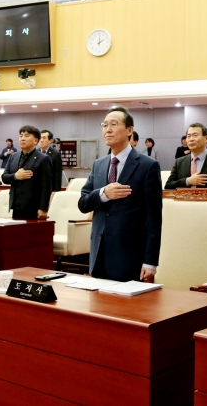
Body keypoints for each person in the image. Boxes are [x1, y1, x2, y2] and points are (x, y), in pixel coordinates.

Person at [78, 106, 162, 282]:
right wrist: (103, 193)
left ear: (130, 130)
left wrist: (150, 262)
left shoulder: (148, 166)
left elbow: (154, 218)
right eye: (104, 125)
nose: (108, 130)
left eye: (114, 124)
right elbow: (83, 203)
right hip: (98, 253)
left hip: (129, 255)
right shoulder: (98, 165)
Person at [1, 126, 52, 220]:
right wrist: (16, 176)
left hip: (34, 207)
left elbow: (46, 185)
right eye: (21, 136)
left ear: (36, 140)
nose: (22, 138)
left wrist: (43, 208)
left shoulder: (43, 158)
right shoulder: (13, 156)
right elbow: (4, 177)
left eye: (27, 136)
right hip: (16, 205)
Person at [165, 123, 207, 190]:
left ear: (206, 138)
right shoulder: (179, 162)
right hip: (183, 200)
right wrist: (188, 181)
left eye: (195, 135)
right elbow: (168, 186)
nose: (191, 139)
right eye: (188, 136)